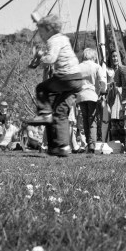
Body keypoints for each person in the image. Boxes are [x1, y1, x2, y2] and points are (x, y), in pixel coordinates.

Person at [25, 13, 83, 157]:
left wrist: (40, 57)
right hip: (77, 80)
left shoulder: (53, 40)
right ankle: (62, 147)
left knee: (41, 88)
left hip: (65, 77)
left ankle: (45, 113)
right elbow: (45, 24)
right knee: (60, 112)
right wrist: (38, 20)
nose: (40, 36)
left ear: (49, 30)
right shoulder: (62, 38)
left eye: (41, 33)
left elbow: (51, 59)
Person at [76, 48, 107, 154]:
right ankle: (92, 145)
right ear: (93, 56)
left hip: (81, 95)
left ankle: (88, 143)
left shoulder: (78, 67)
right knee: (92, 120)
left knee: (84, 120)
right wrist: (102, 91)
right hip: (92, 95)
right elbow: (103, 81)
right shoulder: (96, 66)